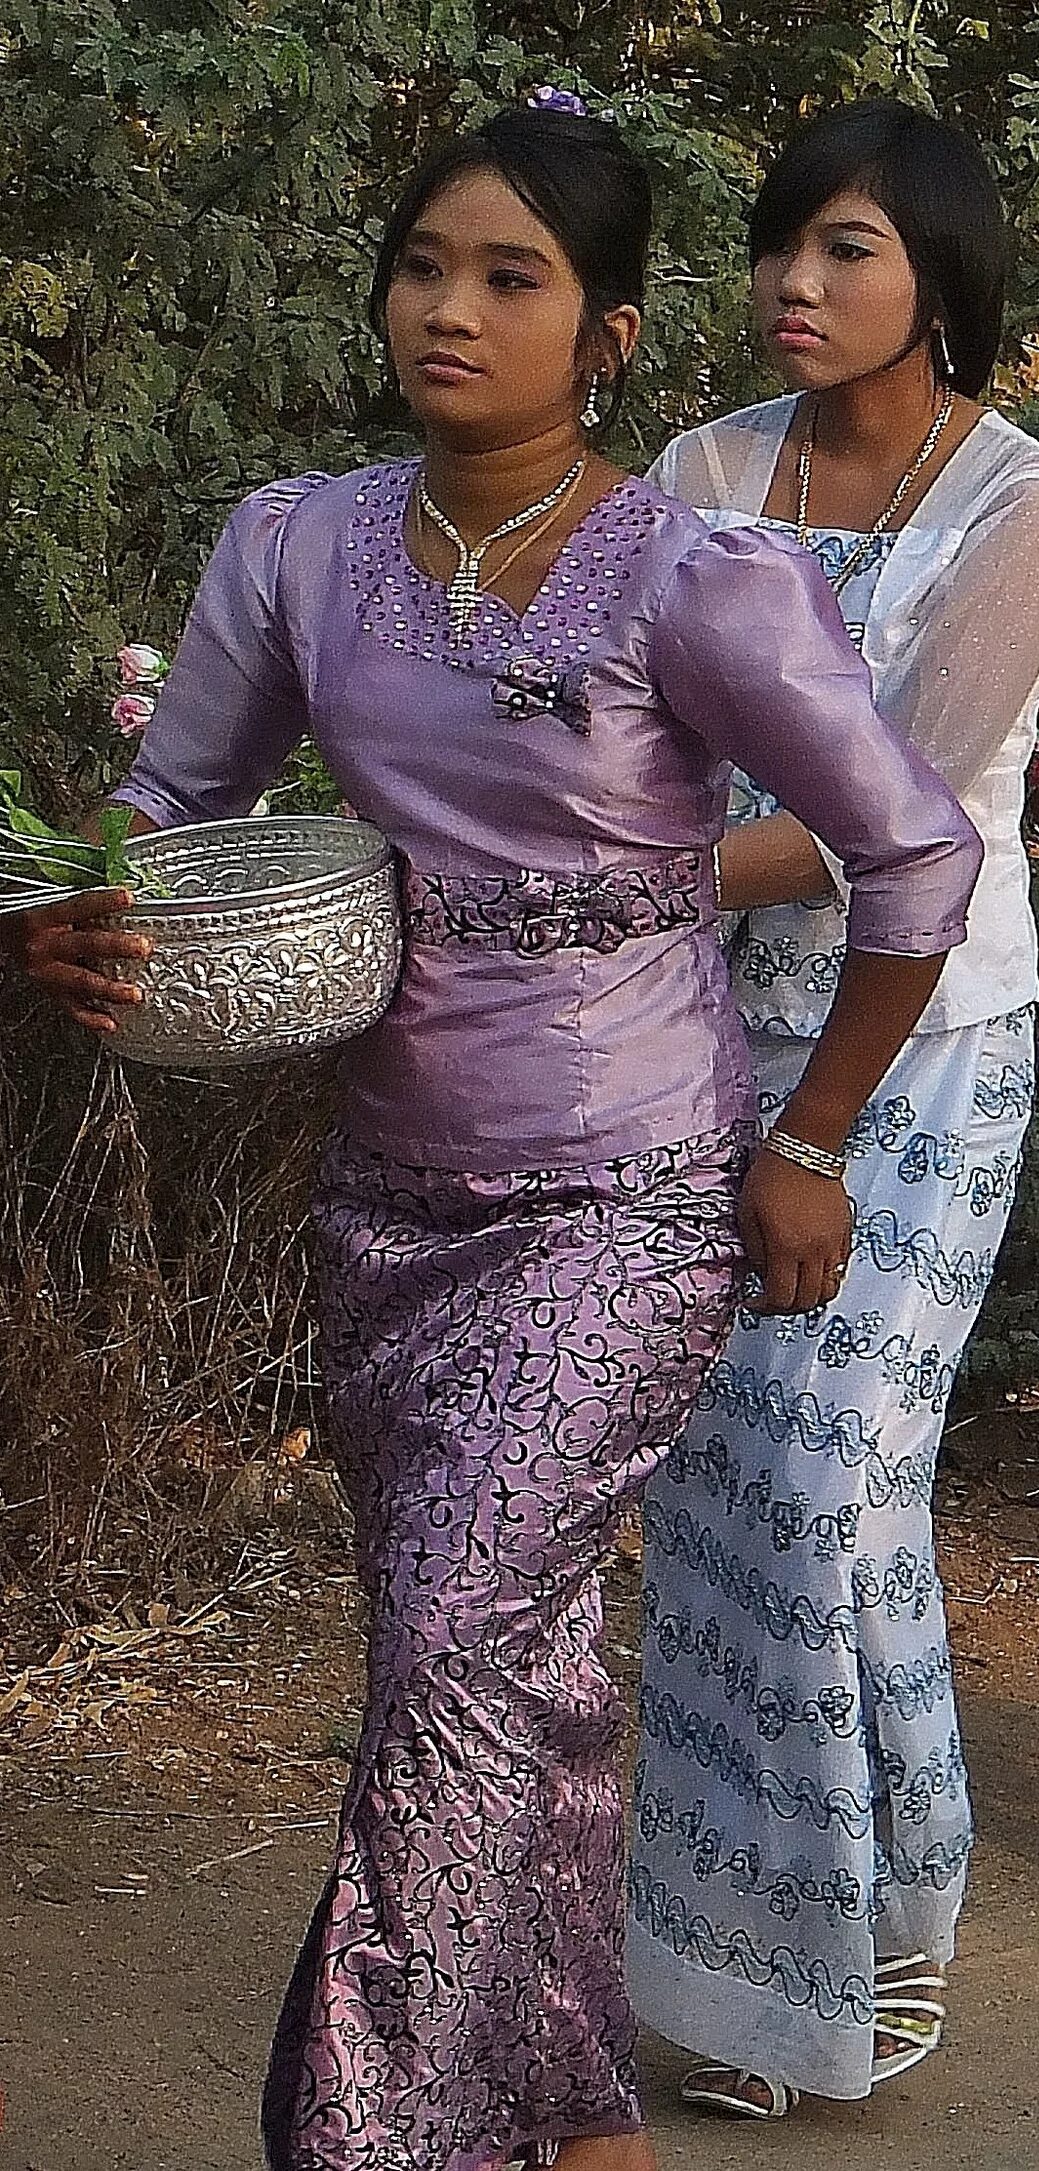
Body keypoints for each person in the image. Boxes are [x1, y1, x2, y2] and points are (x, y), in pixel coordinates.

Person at [5, 101, 980, 2171]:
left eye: (510, 278)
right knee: (496, 1667)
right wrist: (68, 913)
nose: (449, 309)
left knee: (449, 1655)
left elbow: (912, 854)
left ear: (607, 332)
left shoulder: (698, 575)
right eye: (424, 266)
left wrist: (811, 1140)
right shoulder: (297, 543)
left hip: (622, 1194)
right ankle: (573, 2108)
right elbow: (172, 812)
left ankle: (380, 2138)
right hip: (382, 1195)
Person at [625, 103, 1039, 2120]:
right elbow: (626, 745)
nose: (793, 290)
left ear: (942, 280)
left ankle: (869, 1923)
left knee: (823, 1472)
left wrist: (594, 869)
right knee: (747, 1486)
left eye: (843, 252)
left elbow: (882, 819)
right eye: (778, 251)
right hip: (696, 1040)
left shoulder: (1022, 503)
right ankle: (791, 1950)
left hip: (930, 1045)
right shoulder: (701, 470)